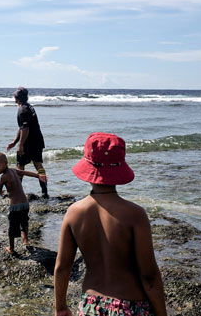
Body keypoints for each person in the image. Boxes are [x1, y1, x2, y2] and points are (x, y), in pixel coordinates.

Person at [54, 133, 166, 316]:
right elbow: (149, 275)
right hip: (130, 307)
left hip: (91, 306)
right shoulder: (135, 214)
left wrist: (60, 307)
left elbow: (62, 267)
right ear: (119, 168)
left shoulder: (73, 213)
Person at [0, 152, 48, 254]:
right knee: (24, 221)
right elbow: (25, 173)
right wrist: (38, 176)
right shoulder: (14, 171)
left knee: (12, 227)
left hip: (15, 206)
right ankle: (25, 240)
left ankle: (11, 248)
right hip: (25, 204)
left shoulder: (3, 177)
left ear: (6, 163)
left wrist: (2, 194)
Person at [6, 86, 49, 198]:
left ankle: (16, 192)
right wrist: (15, 142)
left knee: (20, 166)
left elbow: (25, 129)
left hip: (29, 142)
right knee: (38, 164)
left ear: (17, 97)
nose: (14, 97)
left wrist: (20, 145)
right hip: (37, 140)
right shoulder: (28, 107)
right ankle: (45, 192)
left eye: (15, 95)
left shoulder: (22, 110)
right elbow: (21, 127)